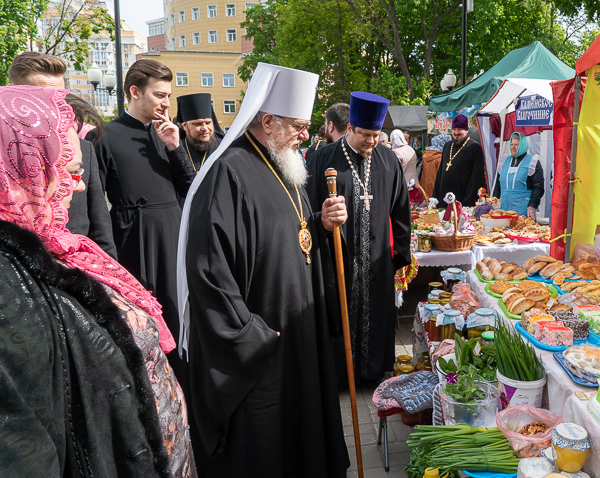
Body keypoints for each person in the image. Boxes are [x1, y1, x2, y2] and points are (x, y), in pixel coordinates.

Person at [0, 85, 194, 477]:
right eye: (70, 173)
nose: (82, 185)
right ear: (24, 167)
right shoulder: (9, 286)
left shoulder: (58, 246)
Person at [177, 63, 349, 477]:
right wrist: (252, 335)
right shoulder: (227, 174)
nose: (305, 136)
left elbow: (295, 239)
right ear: (268, 121)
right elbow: (208, 271)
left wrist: (322, 227)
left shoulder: (285, 164)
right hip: (262, 349)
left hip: (299, 337)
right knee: (267, 448)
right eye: (298, 126)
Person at [89, 60, 194, 354]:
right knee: (141, 323)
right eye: (160, 94)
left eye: (168, 96)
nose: (166, 102)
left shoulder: (168, 134)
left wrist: (174, 147)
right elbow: (95, 200)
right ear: (135, 91)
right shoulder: (103, 135)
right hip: (132, 238)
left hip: (172, 237)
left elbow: (191, 188)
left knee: (176, 315)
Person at [307, 91, 411, 385]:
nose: (371, 141)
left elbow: (401, 210)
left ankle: (372, 373)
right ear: (350, 128)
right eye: (365, 134)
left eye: (376, 135)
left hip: (377, 261)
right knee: (337, 314)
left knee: (376, 317)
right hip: (336, 258)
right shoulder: (323, 158)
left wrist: (399, 255)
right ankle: (341, 377)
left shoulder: (389, 160)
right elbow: (309, 208)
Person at [8, 52, 116, 258]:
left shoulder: (83, 150)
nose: (51, 106)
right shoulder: (5, 158)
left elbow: (100, 229)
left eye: (58, 97)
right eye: (38, 97)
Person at [432, 114, 486, 206]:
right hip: (444, 199)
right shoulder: (447, 145)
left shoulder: (474, 148)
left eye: (460, 129)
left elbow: (476, 179)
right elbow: (440, 174)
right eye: (454, 129)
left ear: (466, 130)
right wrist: (436, 197)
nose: (456, 132)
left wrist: (467, 203)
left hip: (462, 200)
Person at [492, 131, 544, 217]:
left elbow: (538, 187)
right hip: (503, 209)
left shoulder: (532, 162)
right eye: (512, 144)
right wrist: (494, 203)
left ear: (523, 145)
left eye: (517, 145)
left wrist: (532, 206)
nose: (513, 147)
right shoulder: (504, 161)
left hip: (523, 210)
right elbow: (497, 186)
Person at [174, 92, 225, 174]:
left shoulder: (223, 148)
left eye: (208, 123)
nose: (205, 128)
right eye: (198, 124)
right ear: (184, 126)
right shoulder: (176, 148)